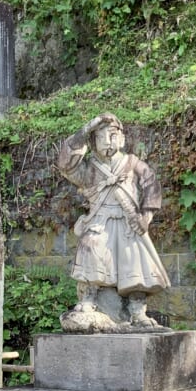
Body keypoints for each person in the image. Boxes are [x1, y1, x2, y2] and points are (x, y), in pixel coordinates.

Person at [57, 113, 170, 329]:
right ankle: (88, 299)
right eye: (101, 137)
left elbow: (151, 185)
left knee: (135, 263)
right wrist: (86, 129)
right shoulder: (89, 168)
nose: (109, 142)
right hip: (100, 220)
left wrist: (146, 216)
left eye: (113, 135)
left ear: (122, 138)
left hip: (129, 222)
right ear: (92, 142)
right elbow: (65, 165)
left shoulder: (132, 163)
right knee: (91, 249)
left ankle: (137, 311)